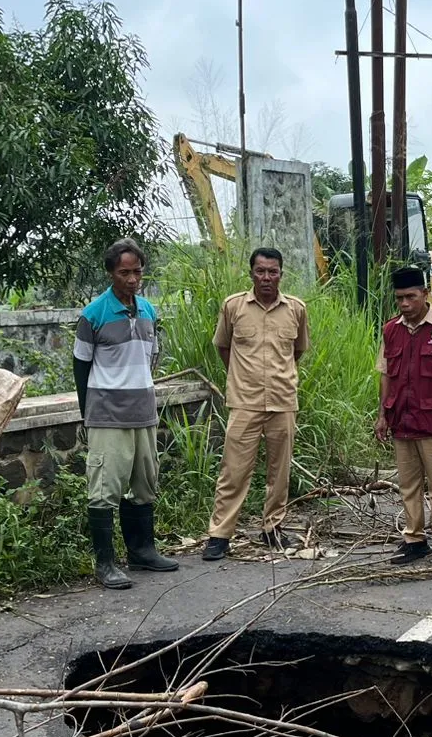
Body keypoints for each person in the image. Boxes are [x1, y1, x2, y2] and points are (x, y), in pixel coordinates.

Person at [73, 238, 179, 590]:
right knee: (104, 487)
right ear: (110, 273)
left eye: (137, 272)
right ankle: (105, 563)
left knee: (145, 484)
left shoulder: (148, 311)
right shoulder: (93, 315)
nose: (132, 279)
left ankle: (142, 551)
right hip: (108, 414)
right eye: (124, 273)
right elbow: (81, 366)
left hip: (143, 411)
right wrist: (87, 413)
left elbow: (150, 360)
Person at [202, 248, 309, 560]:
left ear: (281, 275)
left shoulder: (296, 309)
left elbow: (297, 351)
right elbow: (223, 347)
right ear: (251, 273)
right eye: (260, 271)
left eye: (272, 272)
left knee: (280, 472)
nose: (266, 277)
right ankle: (220, 535)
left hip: (282, 401)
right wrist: (240, 376)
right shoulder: (234, 306)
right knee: (233, 470)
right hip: (244, 402)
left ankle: (272, 528)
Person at [374, 264, 432, 565]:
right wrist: (382, 415)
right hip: (401, 419)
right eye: (399, 298)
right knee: (408, 485)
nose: (404, 304)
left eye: (410, 297)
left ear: (425, 294)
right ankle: (414, 540)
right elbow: (386, 375)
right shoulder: (391, 330)